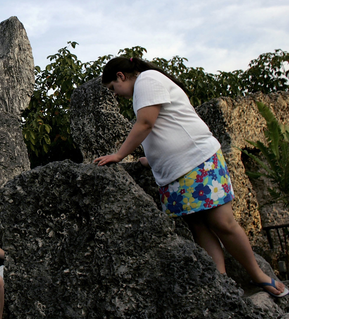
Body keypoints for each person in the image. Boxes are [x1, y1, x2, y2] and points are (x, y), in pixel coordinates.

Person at [92, 56, 288, 298]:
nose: (115, 94)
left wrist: (119, 154)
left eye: (113, 88)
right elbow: (167, 127)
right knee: (199, 227)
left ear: (121, 75)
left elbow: (146, 123)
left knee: (222, 223)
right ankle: (221, 282)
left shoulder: (147, 79)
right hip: (175, 172)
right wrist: (150, 159)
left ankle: (258, 275)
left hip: (198, 161)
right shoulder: (145, 86)